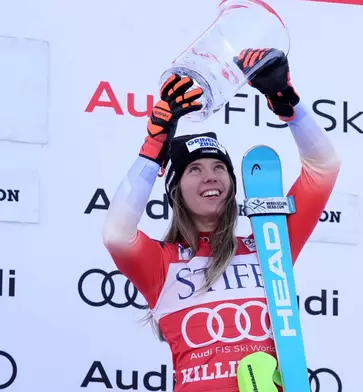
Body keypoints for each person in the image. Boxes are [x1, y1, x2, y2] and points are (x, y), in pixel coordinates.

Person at [102, 48, 341, 392]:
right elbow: (116, 234)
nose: (210, 177)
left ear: (232, 182)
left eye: (219, 168)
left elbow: (324, 167)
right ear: (175, 191)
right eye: (195, 170)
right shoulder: (161, 264)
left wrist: (286, 100)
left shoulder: (270, 244)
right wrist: (155, 146)